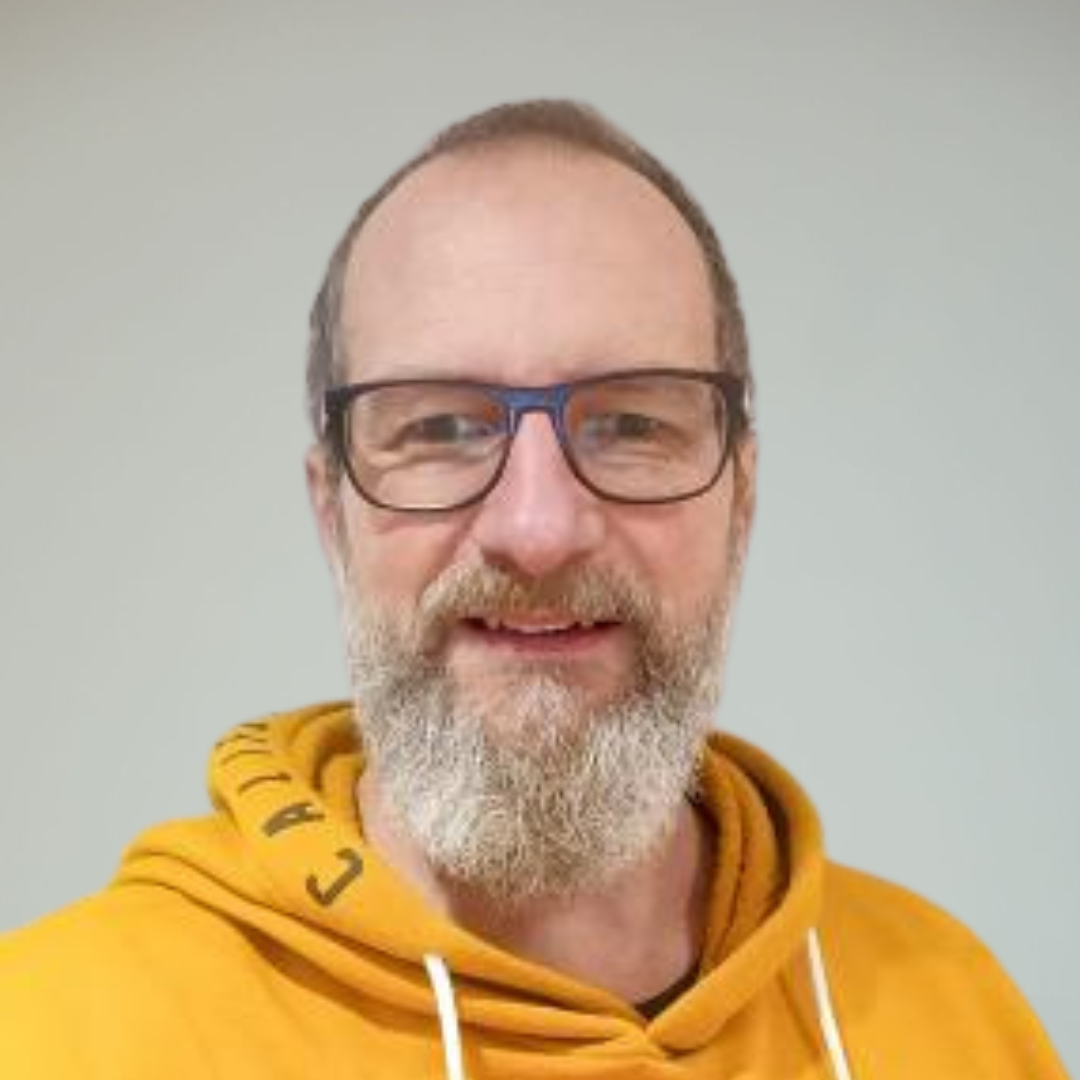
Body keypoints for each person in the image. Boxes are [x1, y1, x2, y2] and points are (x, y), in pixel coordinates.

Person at [0, 100, 1068, 1080]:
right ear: (333, 513)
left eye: (632, 423)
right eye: (441, 428)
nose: (539, 528)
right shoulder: (55, 1034)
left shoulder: (957, 1021)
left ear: (740, 498)